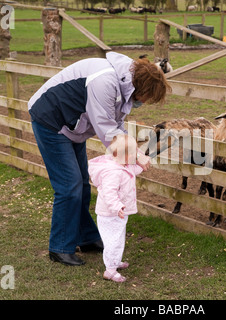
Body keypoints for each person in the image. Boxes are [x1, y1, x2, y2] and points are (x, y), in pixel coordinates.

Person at [28, 52, 171, 266]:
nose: (145, 102)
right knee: (69, 185)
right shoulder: (104, 81)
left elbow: (117, 124)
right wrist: (135, 155)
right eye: (147, 98)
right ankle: (59, 247)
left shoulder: (123, 83)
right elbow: (105, 125)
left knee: (81, 184)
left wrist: (135, 152)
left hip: (73, 125)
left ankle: (86, 238)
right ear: (141, 88)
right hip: (51, 120)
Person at [88, 134, 143, 282]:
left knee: (118, 238)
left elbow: (138, 168)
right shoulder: (113, 172)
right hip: (111, 213)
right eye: (133, 153)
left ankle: (115, 261)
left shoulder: (125, 165)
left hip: (118, 213)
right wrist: (117, 206)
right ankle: (110, 270)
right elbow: (109, 193)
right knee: (113, 240)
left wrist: (140, 157)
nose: (135, 155)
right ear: (122, 155)